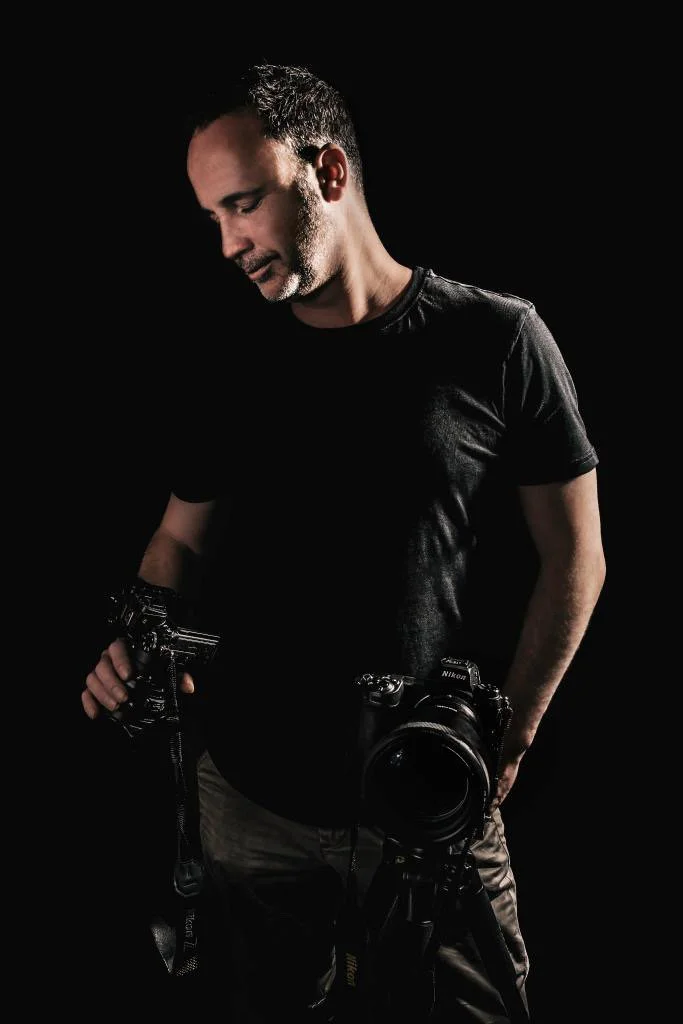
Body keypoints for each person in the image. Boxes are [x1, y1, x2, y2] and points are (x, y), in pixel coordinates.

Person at [82, 63, 606, 1022]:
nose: (231, 243)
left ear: (326, 171)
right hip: (250, 803)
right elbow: (177, 544)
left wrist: (511, 735)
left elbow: (575, 557)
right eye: (213, 220)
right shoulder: (226, 357)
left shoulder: (496, 339)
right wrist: (138, 635)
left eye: (243, 204)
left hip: (433, 801)